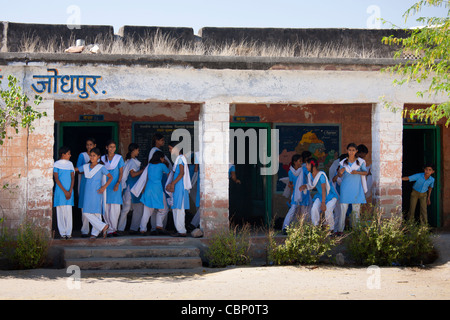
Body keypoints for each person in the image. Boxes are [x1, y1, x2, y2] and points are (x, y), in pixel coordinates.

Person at [76, 148, 112, 240]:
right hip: (87, 193)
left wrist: (104, 187)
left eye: (94, 156)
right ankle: (103, 226)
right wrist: (66, 166)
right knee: (86, 212)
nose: (92, 157)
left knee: (96, 213)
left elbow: (110, 177)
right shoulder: (86, 166)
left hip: (97, 192)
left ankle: (94, 234)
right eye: (91, 155)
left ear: (98, 157)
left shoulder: (101, 167)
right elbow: (75, 170)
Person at [300, 158, 338, 231]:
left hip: (330, 196)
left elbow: (324, 189)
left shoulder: (321, 175)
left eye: (307, 164)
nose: (306, 166)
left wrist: (323, 203)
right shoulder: (310, 175)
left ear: (312, 166)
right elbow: (312, 185)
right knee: (314, 208)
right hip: (321, 196)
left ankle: (331, 229)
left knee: (328, 210)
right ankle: (316, 227)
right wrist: (305, 186)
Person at [336, 143, 369, 228]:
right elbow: (339, 175)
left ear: (356, 151)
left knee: (356, 211)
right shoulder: (343, 162)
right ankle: (340, 230)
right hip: (345, 188)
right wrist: (340, 172)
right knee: (343, 210)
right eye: (350, 150)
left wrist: (357, 172)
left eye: (353, 150)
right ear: (347, 151)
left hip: (356, 188)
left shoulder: (360, 162)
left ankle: (356, 230)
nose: (351, 152)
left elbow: (365, 172)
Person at [139, 151, 171, 235]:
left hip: (148, 189)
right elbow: (170, 174)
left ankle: (142, 229)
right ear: (161, 158)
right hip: (157, 189)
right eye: (163, 158)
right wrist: (170, 184)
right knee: (164, 209)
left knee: (147, 212)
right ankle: (159, 225)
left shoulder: (149, 166)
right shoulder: (162, 165)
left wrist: (143, 189)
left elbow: (146, 178)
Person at [166, 142, 192, 237]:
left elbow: (181, 173)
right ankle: (179, 229)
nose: (169, 150)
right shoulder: (179, 159)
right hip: (177, 186)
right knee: (176, 208)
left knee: (179, 209)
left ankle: (181, 231)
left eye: (170, 148)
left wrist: (172, 183)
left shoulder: (180, 158)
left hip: (179, 186)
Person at [118, 143, 144, 235]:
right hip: (131, 188)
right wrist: (143, 170)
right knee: (127, 209)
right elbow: (133, 174)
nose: (138, 151)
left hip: (134, 188)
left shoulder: (132, 161)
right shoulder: (132, 162)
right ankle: (122, 229)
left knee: (136, 208)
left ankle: (130, 228)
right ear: (134, 150)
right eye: (138, 150)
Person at [101, 140, 124, 237]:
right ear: (106, 147)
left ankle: (113, 229)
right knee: (106, 208)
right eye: (110, 147)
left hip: (115, 185)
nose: (112, 149)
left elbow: (121, 172)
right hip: (105, 185)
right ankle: (108, 229)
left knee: (115, 208)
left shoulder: (119, 158)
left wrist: (118, 183)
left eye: (114, 147)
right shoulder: (102, 158)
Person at [76, 137, 97, 238]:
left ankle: (95, 230)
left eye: (91, 145)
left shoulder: (98, 157)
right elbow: (78, 170)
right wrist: (89, 167)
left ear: (94, 146)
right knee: (84, 207)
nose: (89, 147)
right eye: (87, 145)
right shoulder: (82, 155)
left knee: (94, 207)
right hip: (84, 183)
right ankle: (84, 230)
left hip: (95, 185)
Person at [53, 146, 75, 239]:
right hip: (60, 191)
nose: (70, 155)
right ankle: (62, 233)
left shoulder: (70, 164)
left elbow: (73, 177)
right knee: (61, 211)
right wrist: (65, 191)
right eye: (68, 153)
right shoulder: (56, 164)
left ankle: (68, 233)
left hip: (69, 190)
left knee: (68, 212)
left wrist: (70, 190)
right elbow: (56, 179)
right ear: (63, 154)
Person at [282, 154, 303, 234]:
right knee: (293, 210)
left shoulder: (302, 170)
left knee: (302, 210)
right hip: (295, 194)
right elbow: (291, 183)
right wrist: (292, 193)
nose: (301, 162)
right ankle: (285, 227)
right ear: (295, 162)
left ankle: (300, 227)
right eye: (299, 161)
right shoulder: (291, 172)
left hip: (302, 193)